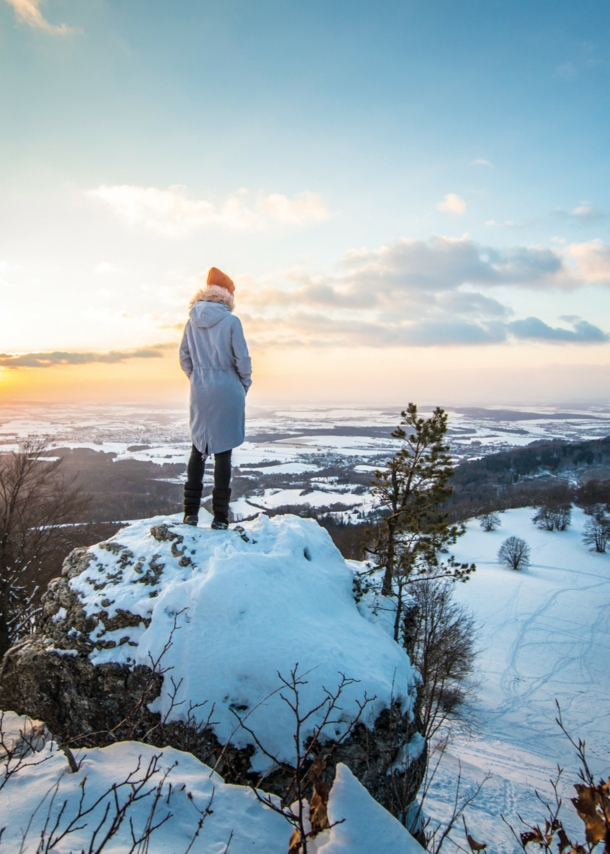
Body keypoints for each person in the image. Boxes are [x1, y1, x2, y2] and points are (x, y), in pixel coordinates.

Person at [179, 267, 252, 528]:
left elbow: (184, 358)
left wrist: (199, 378)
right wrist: (243, 383)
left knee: (198, 449)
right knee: (223, 452)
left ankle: (190, 513)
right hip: (228, 388)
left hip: (200, 390)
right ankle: (220, 517)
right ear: (227, 295)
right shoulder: (232, 322)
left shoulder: (191, 322)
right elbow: (241, 359)